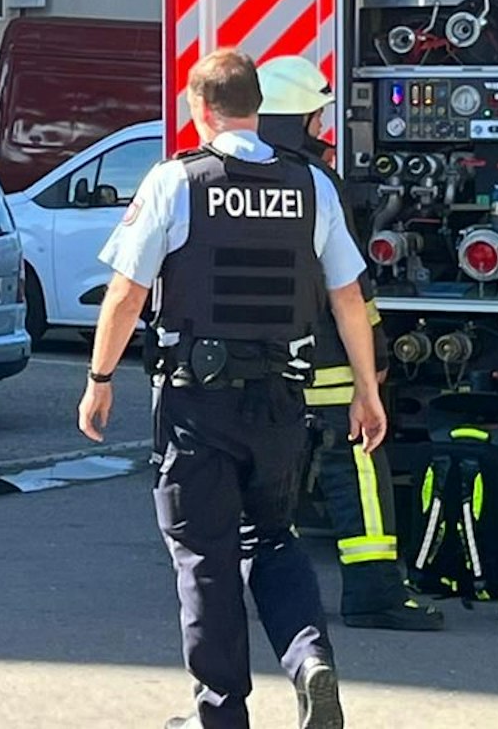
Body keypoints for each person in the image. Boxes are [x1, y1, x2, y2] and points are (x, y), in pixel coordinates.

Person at [79, 48, 384, 729]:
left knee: (206, 559)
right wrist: (368, 390)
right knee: (273, 539)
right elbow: (348, 299)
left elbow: (127, 293)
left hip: (199, 403)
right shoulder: (312, 186)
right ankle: (309, 660)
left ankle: (222, 716)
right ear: (258, 106)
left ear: (200, 110)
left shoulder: (176, 181)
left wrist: (100, 379)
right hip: (282, 401)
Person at [255, 56, 440, 635]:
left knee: (261, 476)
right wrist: (376, 359)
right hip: (328, 362)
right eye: (316, 119)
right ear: (302, 118)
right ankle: (374, 590)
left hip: (252, 365)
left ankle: (248, 586)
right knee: (354, 462)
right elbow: (350, 287)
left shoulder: (219, 177)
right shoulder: (316, 183)